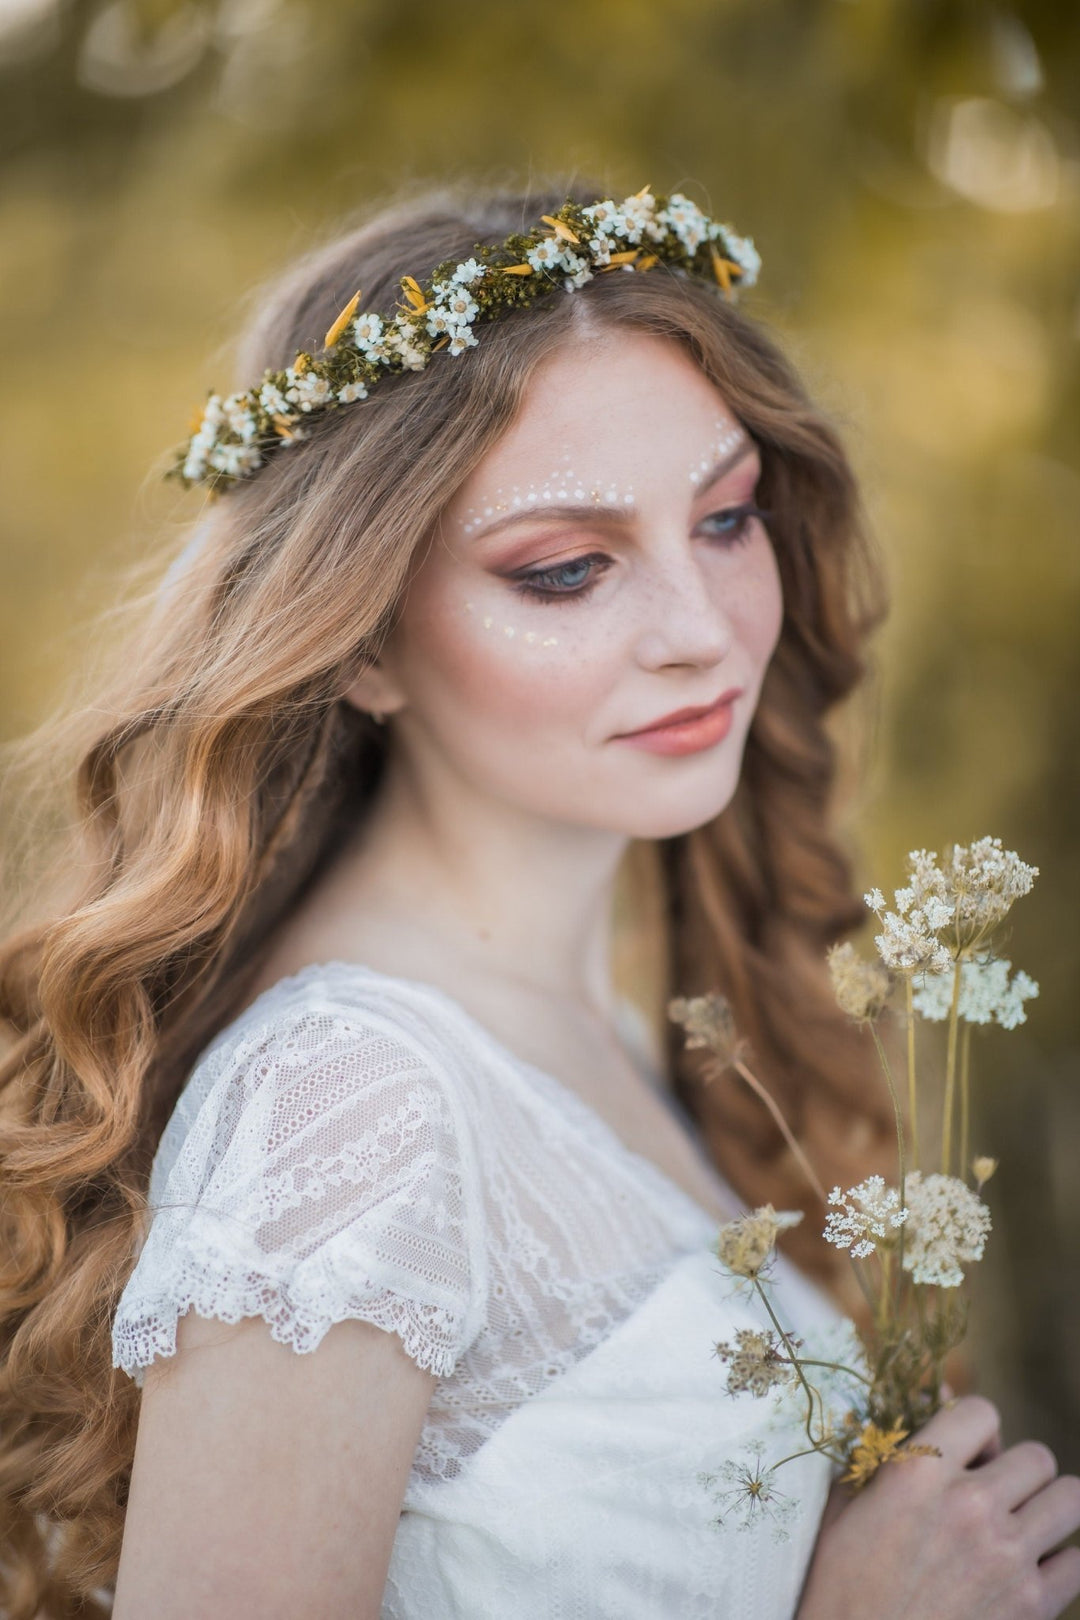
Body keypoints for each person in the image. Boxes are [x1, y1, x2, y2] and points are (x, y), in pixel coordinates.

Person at [0, 176, 1077, 1620]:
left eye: (726, 518)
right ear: (362, 643)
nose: (701, 635)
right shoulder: (353, 1104)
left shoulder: (615, 1022)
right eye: (566, 570)